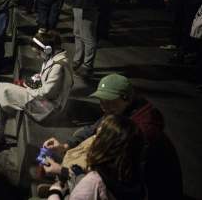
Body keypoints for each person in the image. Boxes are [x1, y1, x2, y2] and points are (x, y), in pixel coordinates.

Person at [43, 74, 182, 200]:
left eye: (109, 102)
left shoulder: (138, 133)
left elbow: (121, 182)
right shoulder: (119, 110)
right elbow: (93, 129)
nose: (103, 107)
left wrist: (65, 173)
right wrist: (65, 146)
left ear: (126, 98)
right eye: (101, 101)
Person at [0, 32, 73, 153]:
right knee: (5, 92)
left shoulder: (58, 66)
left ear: (48, 49)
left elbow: (47, 92)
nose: (38, 57)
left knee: (5, 90)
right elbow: (48, 82)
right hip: (42, 99)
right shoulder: (55, 57)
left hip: (46, 108)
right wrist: (35, 80)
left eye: (38, 53)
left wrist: (27, 88)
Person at [44, 115, 145, 200]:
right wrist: (64, 171)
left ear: (104, 146)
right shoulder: (136, 179)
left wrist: (54, 192)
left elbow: (90, 187)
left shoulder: (92, 183)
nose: (92, 138)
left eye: (97, 136)